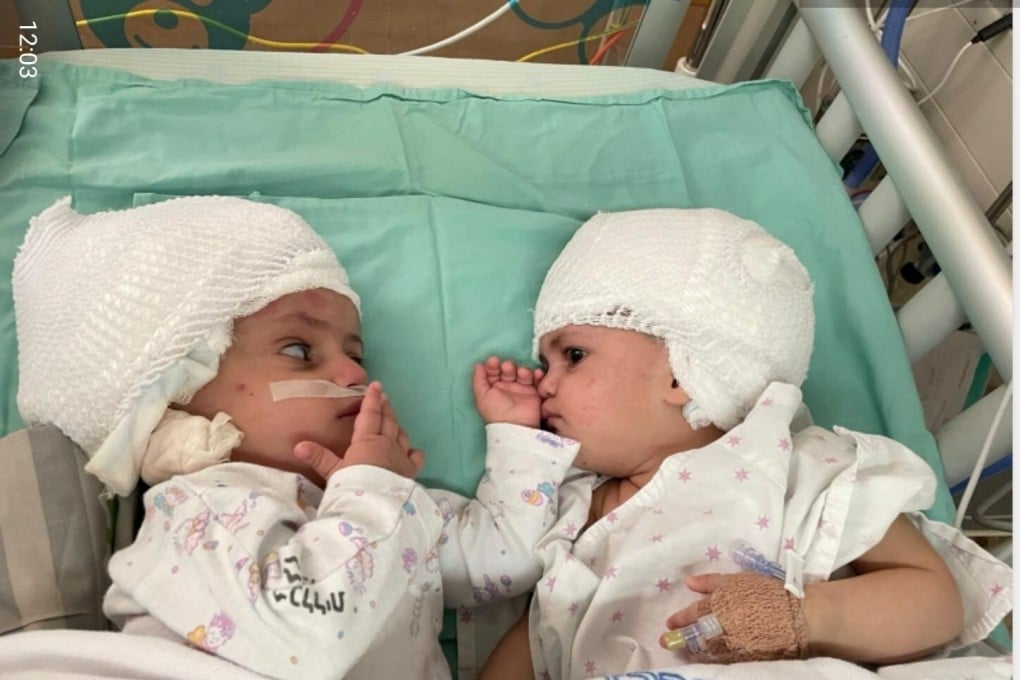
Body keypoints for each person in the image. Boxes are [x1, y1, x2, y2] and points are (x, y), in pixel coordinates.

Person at [11, 195, 582, 680]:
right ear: (176, 393)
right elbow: (311, 638)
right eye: (298, 351)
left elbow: (505, 558)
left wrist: (515, 436)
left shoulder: (389, 502)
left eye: (357, 355)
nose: (356, 376)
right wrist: (374, 489)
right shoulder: (203, 509)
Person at [451, 208, 1011, 679]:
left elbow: (936, 602)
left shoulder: (796, 467)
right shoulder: (569, 508)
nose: (544, 382)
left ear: (682, 371)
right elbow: (537, 637)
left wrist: (805, 618)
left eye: (572, 355)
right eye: (542, 362)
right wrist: (515, 435)